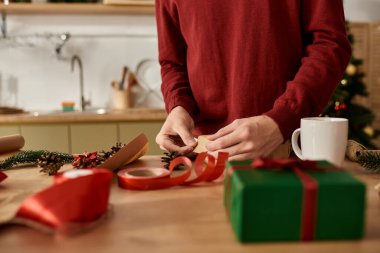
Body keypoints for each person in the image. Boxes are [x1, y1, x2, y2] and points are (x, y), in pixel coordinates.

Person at [155, 0, 351, 161]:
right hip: (202, 156)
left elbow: (329, 43)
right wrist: (178, 105)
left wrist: (281, 120)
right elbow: (172, 60)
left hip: (285, 152)